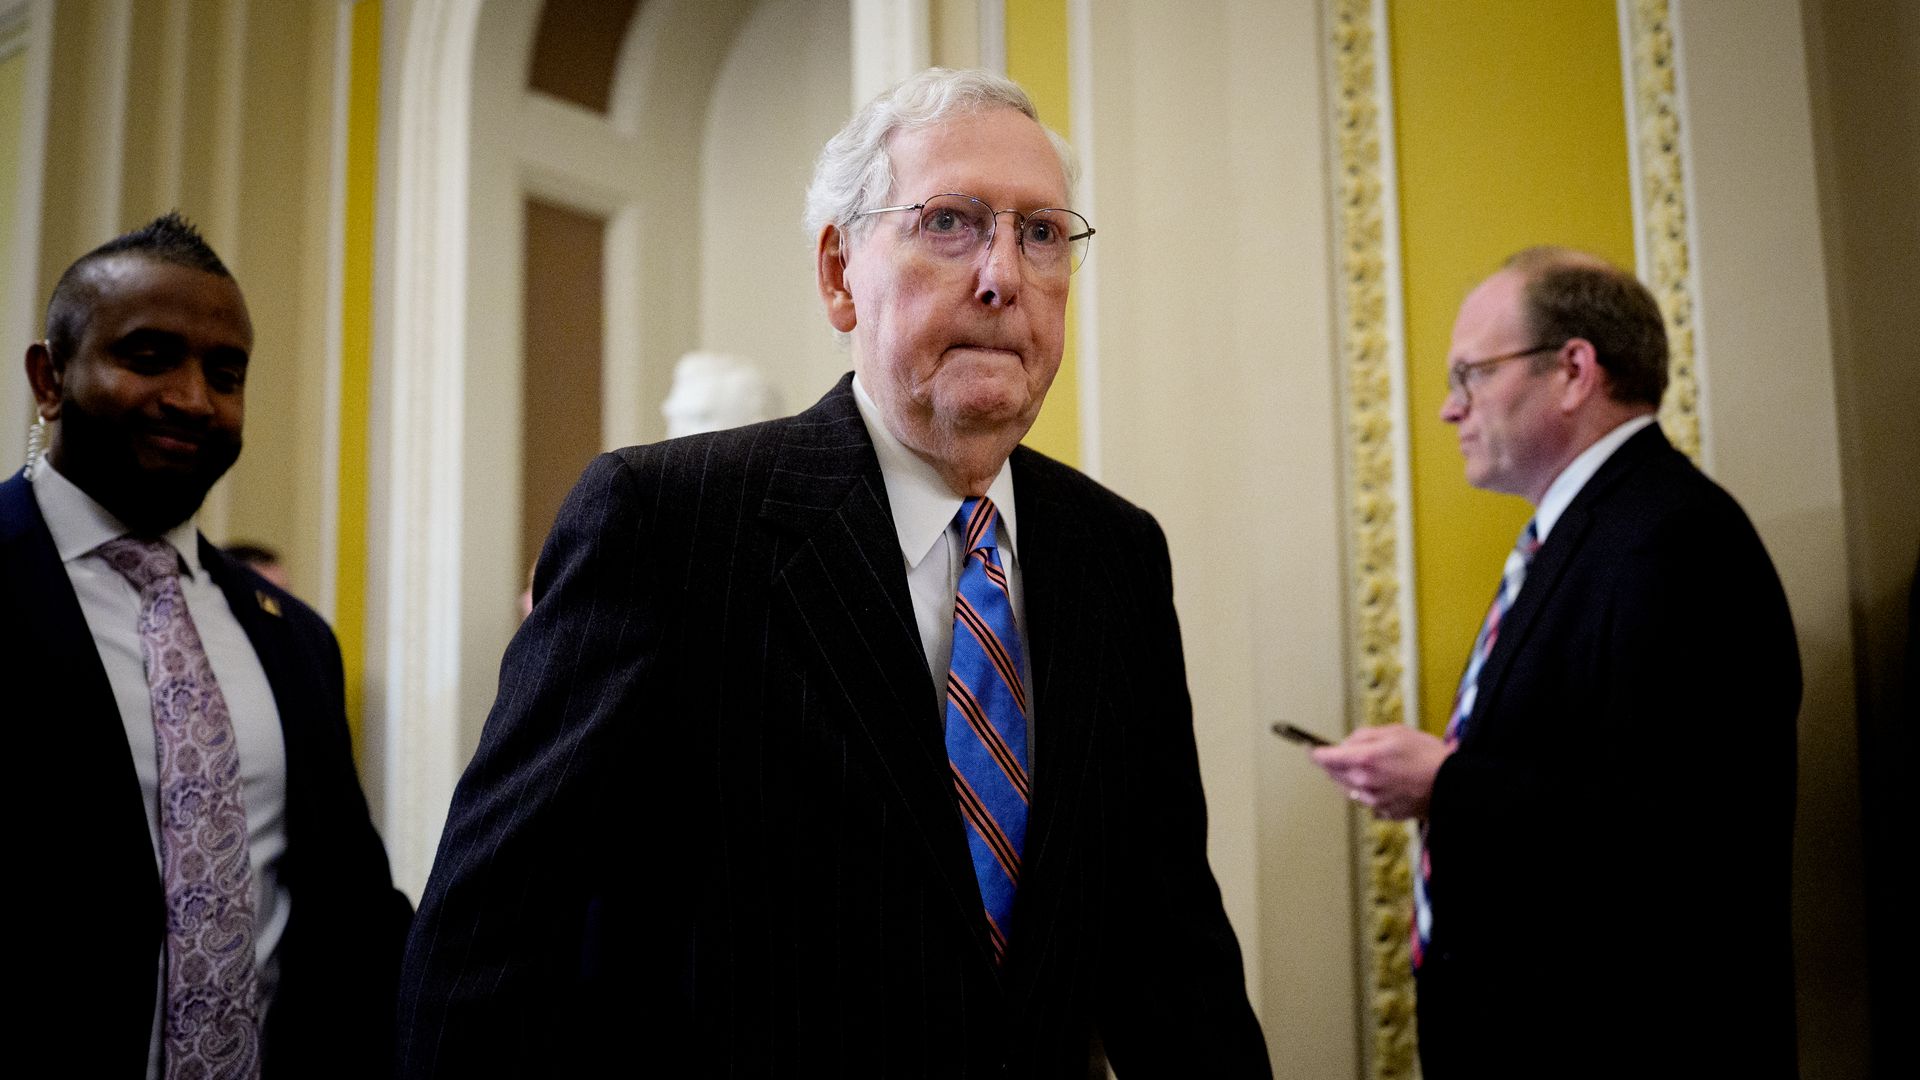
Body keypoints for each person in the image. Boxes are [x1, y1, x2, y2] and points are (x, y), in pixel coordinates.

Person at [397, 69, 1270, 1077]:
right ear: (838, 273)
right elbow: (487, 946)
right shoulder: (666, 524)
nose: (1003, 275)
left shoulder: (1115, 553)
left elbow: (1171, 950)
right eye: (950, 222)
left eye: (1041, 233)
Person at [1309, 248, 1799, 1078]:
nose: (1446, 410)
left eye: (1471, 374)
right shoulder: (1593, 531)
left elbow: (1685, 834)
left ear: (1574, 370)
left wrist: (1444, 784)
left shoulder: (1675, 538)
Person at [2, 213, 412, 1076]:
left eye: (225, 375)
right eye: (149, 359)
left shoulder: (294, 639)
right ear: (50, 377)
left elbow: (350, 916)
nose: (193, 399)